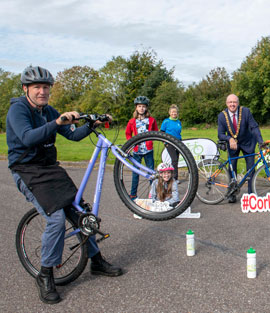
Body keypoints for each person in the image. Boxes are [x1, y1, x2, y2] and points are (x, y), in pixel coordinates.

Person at [6, 66, 122, 304]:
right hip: (27, 170)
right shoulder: (18, 109)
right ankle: (45, 274)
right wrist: (57, 121)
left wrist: (93, 124)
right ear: (26, 89)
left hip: (50, 169)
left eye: (46, 87)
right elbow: (27, 137)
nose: (42, 91)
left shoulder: (48, 110)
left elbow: (72, 135)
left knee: (81, 213)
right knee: (57, 219)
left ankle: (96, 261)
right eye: (37, 87)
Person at [217, 94, 264, 202]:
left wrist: (260, 141)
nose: (232, 104)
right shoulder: (221, 116)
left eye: (234, 102)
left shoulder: (246, 112)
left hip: (248, 142)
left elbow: (254, 127)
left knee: (251, 168)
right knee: (232, 168)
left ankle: (251, 195)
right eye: (230, 102)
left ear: (238, 103)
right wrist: (229, 138)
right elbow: (220, 134)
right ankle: (232, 193)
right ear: (226, 103)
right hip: (232, 144)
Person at [125, 96, 158, 199]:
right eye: (139, 106)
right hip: (137, 151)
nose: (141, 108)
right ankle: (133, 194)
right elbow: (128, 134)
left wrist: (151, 140)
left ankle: (153, 194)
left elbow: (156, 132)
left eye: (143, 106)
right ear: (136, 108)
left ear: (146, 108)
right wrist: (132, 143)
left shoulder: (151, 120)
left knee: (151, 172)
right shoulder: (132, 121)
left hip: (148, 150)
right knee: (135, 173)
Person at [160, 104, 182, 181]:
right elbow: (162, 132)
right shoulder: (166, 121)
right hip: (169, 143)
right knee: (174, 159)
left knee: (176, 161)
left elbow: (178, 133)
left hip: (178, 142)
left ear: (177, 113)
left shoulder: (178, 121)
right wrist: (164, 142)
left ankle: (174, 177)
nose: (174, 114)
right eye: (172, 112)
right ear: (169, 113)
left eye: (175, 112)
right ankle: (174, 178)